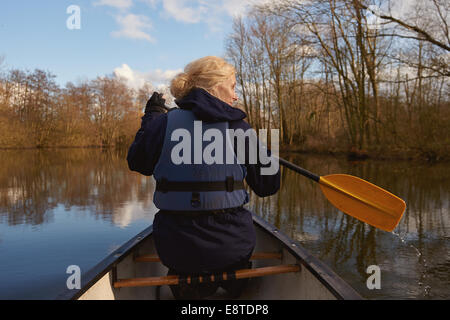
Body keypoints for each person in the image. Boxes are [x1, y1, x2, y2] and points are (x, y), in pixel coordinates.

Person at [127, 56, 280, 299]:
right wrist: (266, 152)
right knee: (233, 267)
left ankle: (189, 289)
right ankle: (235, 290)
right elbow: (268, 186)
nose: (235, 95)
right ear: (215, 86)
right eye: (232, 86)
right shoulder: (239, 129)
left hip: (176, 250)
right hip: (233, 249)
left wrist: (152, 117)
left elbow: (137, 162)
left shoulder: (163, 123)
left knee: (186, 270)